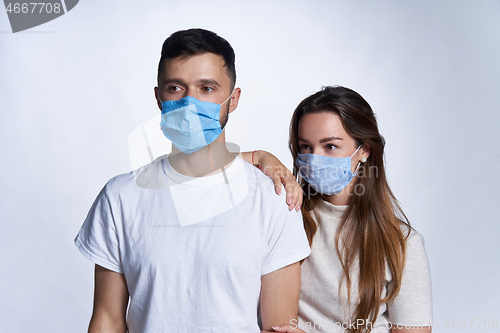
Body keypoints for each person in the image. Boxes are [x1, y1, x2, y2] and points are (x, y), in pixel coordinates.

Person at [74, 28, 310, 333]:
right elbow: (107, 319)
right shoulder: (120, 196)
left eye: (207, 88)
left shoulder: (274, 199)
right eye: (175, 88)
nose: (190, 103)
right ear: (158, 97)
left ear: (233, 99)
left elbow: (279, 327)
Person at [251, 86, 432, 333]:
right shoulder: (284, 213)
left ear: (364, 151)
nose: (314, 158)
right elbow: (194, 166)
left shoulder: (400, 243)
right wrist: (261, 157)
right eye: (305, 147)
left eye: (330, 146)